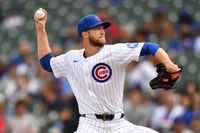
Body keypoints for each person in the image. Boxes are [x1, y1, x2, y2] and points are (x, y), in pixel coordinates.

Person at [34, 9, 180, 133]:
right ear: (85, 33)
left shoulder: (114, 52)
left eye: (103, 28)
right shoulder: (71, 58)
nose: (102, 32)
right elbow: (47, 63)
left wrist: (169, 64)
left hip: (118, 124)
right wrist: (41, 29)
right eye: (97, 28)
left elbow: (150, 47)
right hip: (89, 125)